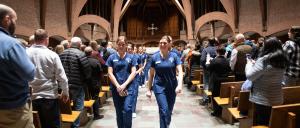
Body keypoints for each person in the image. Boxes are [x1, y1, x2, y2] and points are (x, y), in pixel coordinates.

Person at [0, 4, 36, 128]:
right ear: (7, 19)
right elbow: (30, 73)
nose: (15, 24)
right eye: (15, 20)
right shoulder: (11, 43)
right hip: (11, 108)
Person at [27, 29, 69, 128]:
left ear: (35, 38)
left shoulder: (25, 53)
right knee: (52, 125)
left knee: (36, 124)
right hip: (49, 96)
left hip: (31, 96)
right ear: (47, 40)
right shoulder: (52, 55)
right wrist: (65, 92)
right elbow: (62, 77)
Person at [246, 37, 287, 126]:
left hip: (262, 99)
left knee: (261, 124)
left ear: (267, 47)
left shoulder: (264, 60)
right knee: (272, 123)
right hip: (277, 97)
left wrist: (249, 65)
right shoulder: (283, 59)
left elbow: (250, 76)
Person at [146, 35, 183, 128]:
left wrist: (179, 85)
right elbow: (151, 75)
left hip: (172, 87)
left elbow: (181, 72)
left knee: (169, 111)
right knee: (164, 109)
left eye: (164, 43)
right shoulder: (154, 57)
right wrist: (148, 89)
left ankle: (165, 125)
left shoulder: (174, 56)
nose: (162, 44)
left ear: (169, 44)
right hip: (159, 87)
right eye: (160, 43)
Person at [106, 36, 137, 128]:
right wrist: (118, 86)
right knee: (119, 111)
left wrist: (124, 85)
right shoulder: (112, 57)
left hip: (129, 87)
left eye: (123, 44)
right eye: (119, 44)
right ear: (117, 45)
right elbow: (110, 73)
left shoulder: (131, 57)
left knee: (127, 109)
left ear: (126, 45)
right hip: (116, 88)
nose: (121, 46)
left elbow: (133, 72)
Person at [60, 37, 91, 128]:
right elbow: (87, 71)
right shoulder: (81, 54)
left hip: (63, 85)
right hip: (77, 84)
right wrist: (85, 81)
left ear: (70, 44)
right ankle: (75, 126)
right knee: (78, 106)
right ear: (80, 44)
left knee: (65, 106)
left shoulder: (62, 54)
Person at [206, 45, 231, 116]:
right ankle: (221, 109)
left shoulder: (214, 60)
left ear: (217, 52)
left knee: (215, 96)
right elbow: (229, 69)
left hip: (216, 81)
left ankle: (216, 111)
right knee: (222, 95)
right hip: (225, 80)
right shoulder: (227, 60)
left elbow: (208, 68)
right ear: (224, 52)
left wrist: (208, 62)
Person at [84, 46, 104, 120]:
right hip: (95, 82)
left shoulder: (82, 60)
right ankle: (96, 115)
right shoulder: (95, 61)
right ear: (91, 52)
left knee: (87, 97)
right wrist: (101, 81)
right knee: (95, 97)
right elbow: (100, 72)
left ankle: (89, 112)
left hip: (85, 83)